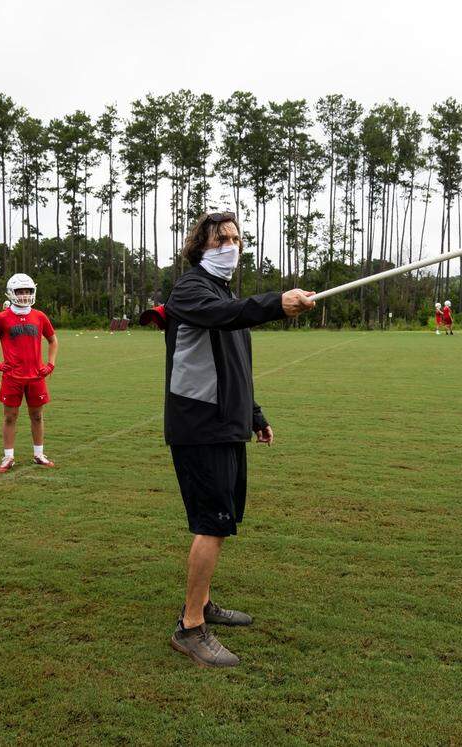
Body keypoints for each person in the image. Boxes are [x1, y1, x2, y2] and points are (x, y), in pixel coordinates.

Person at [160, 209, 315, 668]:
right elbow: (225, 316)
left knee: (223, 520)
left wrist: (254, 414)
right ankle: (190, 628)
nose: (230, 245)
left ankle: (202, 603)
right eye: (219, 239)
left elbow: (236, 366)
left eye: (235, 238)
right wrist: (275, 304)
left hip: (227, 422)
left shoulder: (225, 295)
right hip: (199, 426)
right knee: (212, 522)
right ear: (199, 249)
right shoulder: (190, 291)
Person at [0, 273, 58, 473]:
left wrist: (50, 364)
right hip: (12, 377)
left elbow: (53, 340)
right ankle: (8, 457)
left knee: (37, 416)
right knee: (9, 417)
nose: (24, 295)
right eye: (20, 291)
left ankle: (39, 454)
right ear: (11, 293)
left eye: (27, 291)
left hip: (36, 376)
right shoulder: (3, 317)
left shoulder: (39, 316)